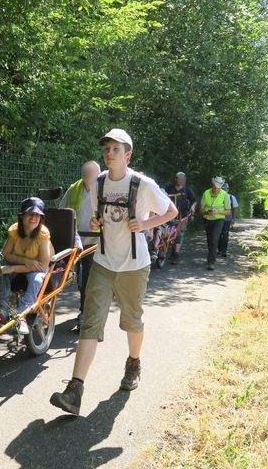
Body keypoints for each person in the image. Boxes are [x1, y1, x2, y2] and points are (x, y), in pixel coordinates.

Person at [50, 129, 178, 415]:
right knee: (90, 323)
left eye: (115, 149)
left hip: (134, 266)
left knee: (132, 321)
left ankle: (133, 362)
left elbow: (171, 212)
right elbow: (99, 219)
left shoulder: (143, 184)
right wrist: (96, 223)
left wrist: (145, 225)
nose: (109, 153)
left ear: (128, 154)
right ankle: (75, 389)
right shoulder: (98, 183)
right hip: (104, 263)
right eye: (106, 148)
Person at [0, 197, 54, 335]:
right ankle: (3, 310)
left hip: (37, 269)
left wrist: (13, 268)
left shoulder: (43, 235)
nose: (33, 218)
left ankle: (21, 316)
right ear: (22, 216)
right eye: (30, 213)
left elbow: (43, 266)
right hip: (22, 265)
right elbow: (6, 254)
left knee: (37, 279)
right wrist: (24, 260)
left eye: (37, 215)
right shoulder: (14, 231)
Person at [59, 161, 101, 329]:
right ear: (83, 175)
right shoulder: (74, 189)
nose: (89, 176)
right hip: (76, 242)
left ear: (98, 174)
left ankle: (85, 313)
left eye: (92, 173)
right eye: (86, 173)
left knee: (88, 280)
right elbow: (62, 211)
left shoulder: (104, 190)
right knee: (80, 280)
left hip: (96, 242)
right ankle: (86, 308)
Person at [199, 176, 231, 271]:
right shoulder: (206, 193)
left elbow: (228, 212)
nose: (216, 189)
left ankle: (211, 262)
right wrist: (206, 212)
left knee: (214, 238)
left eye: (218, 187)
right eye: (215, 186)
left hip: (219, 219)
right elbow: (201, 210)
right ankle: (211, 255)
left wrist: (217, 212)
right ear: (212, 185)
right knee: (210, 240)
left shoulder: (225, 195)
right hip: (207, 219)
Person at [165, 171, 197, 264]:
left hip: (182, 215)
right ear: (176, 179)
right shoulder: (169, 189)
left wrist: (192, 207)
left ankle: (176, 254)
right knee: (169, 233)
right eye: (180, 178)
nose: (182, 180)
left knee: (178, 233)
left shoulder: (187, 190)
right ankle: (167, 252)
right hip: (169, 214)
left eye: (183, 178)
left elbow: (194, 200)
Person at [218, 182, 238, 257]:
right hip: (218, 218)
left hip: (227, 219)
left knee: (225, 234)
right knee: (218, 234)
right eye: (223, 188)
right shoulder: (218, 196)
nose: (224, 189)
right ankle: (219, 249)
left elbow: (235, 208)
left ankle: (224, 251)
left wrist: (233, 218)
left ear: (228, 189)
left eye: (225, 188)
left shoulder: (232, 197)